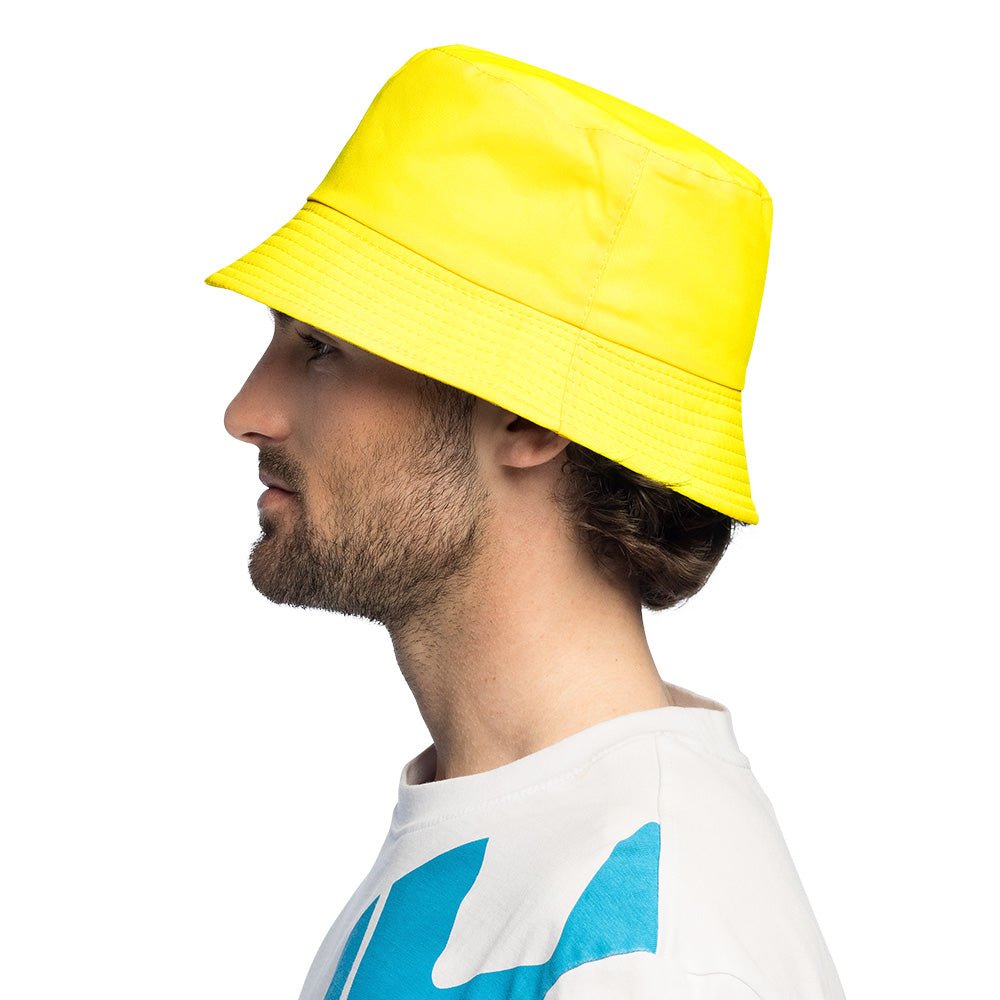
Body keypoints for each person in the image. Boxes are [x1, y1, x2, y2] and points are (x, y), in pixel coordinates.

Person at [208, 43, 846, 1000]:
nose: (246, 411)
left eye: (322, 347)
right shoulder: (490, 828)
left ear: (528, 418)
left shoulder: (649, 954)